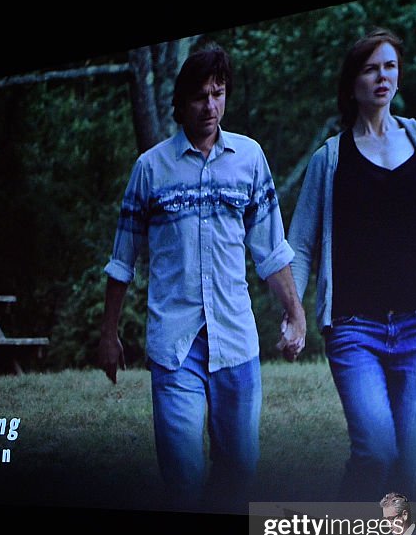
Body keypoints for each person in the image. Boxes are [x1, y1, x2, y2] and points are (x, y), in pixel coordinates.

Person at [99, 46, 306, 511]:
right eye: (199, 97)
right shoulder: (150, 169)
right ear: (180, 103)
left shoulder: (249, 159)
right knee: (183, 477)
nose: (210, 106)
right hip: (176, 345)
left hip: (236, 341)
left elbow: (271, 250)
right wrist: (108, 334)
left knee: (240, 469)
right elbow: (122, 260)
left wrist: (295, 315)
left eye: (218, 93)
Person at [288, 29, 416, 501]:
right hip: (355, 330)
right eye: (371, 68)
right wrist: (294, 316)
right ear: (352, 82)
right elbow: (299, 245)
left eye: (390, 66)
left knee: (406, 474)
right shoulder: (330, 159)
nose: (383, 77)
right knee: (376, 452)